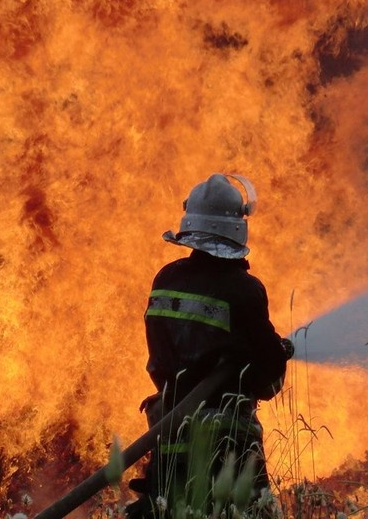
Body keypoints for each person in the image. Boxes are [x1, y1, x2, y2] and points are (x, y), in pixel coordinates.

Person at [127, 173, 292, 518]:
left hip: (170, 434)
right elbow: (266, 383)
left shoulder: (166, 278)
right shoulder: (245, 290)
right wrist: (276, 355)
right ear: (238, 227)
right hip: (229, 447)